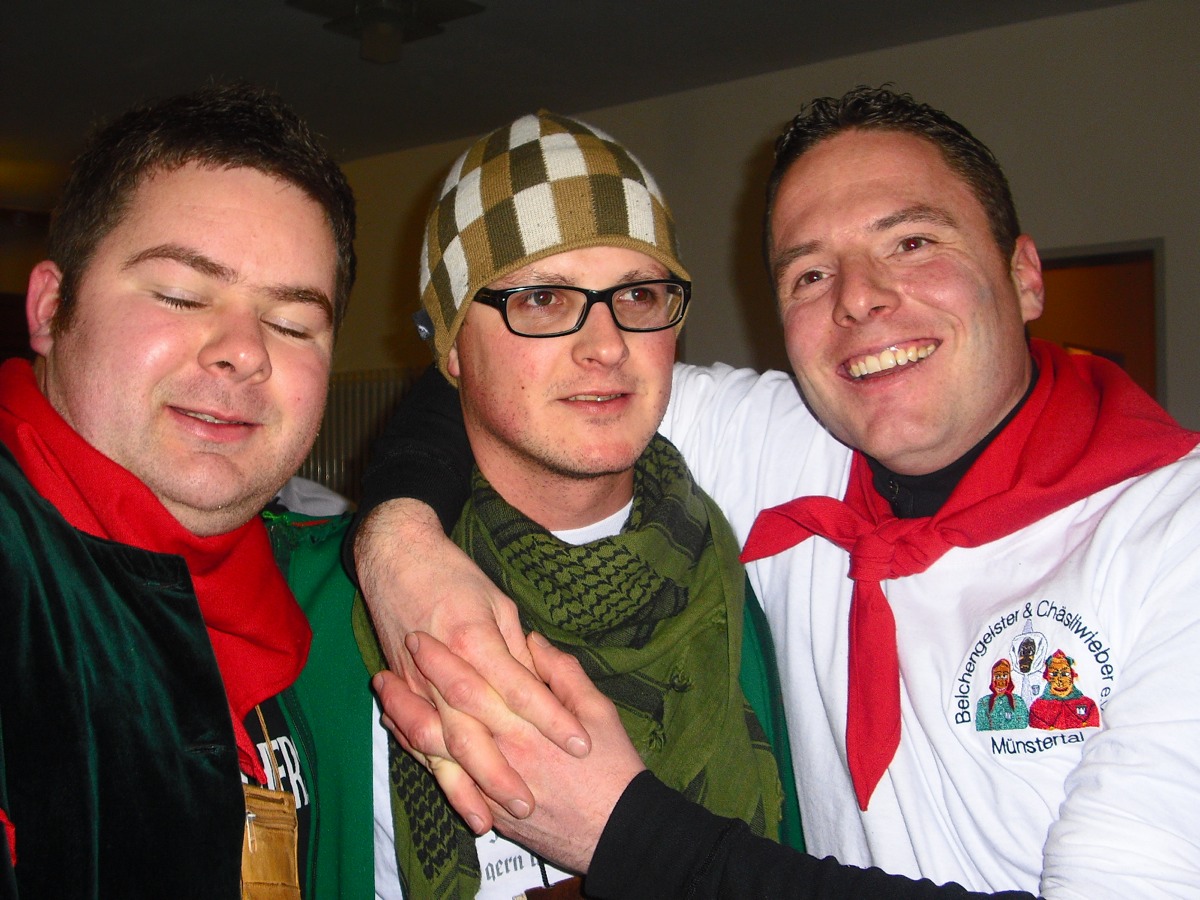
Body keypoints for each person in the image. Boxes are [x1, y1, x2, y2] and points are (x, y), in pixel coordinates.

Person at [351, 87, 1200, 897]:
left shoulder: (1171, 536)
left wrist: (625, 833)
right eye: (811, 274)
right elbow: (510, 383)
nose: (860, 299)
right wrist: (401, 544)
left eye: (912, 242)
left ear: (1024, 276)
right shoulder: (791, 443)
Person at [353, 110, 801, 899]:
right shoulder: (347, 614)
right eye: (542, 299)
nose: (606, 345)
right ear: (451, 348)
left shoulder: (766, 575)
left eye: (640, 293)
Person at [0, 83, 369, 898]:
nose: (244, 351)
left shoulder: (317, 593)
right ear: (51, 308)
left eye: (292, 322)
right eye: (180, 294)